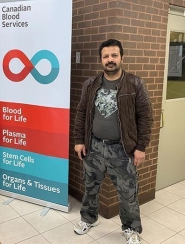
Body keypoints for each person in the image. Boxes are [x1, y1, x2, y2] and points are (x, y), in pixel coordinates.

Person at [73, 39, 153, 244]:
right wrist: (79, 140)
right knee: (90, 187)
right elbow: (81, 112)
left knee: (128, 193)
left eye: (114, 55)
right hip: (94, 147)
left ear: (121, 58)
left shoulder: (135, 84)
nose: (110, 60)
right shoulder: (90, 84)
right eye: (106, 56)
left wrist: (141, 147)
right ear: (101, 59)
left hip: (123, 149)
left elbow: (145, 116)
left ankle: (131, 228)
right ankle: (88, 218)